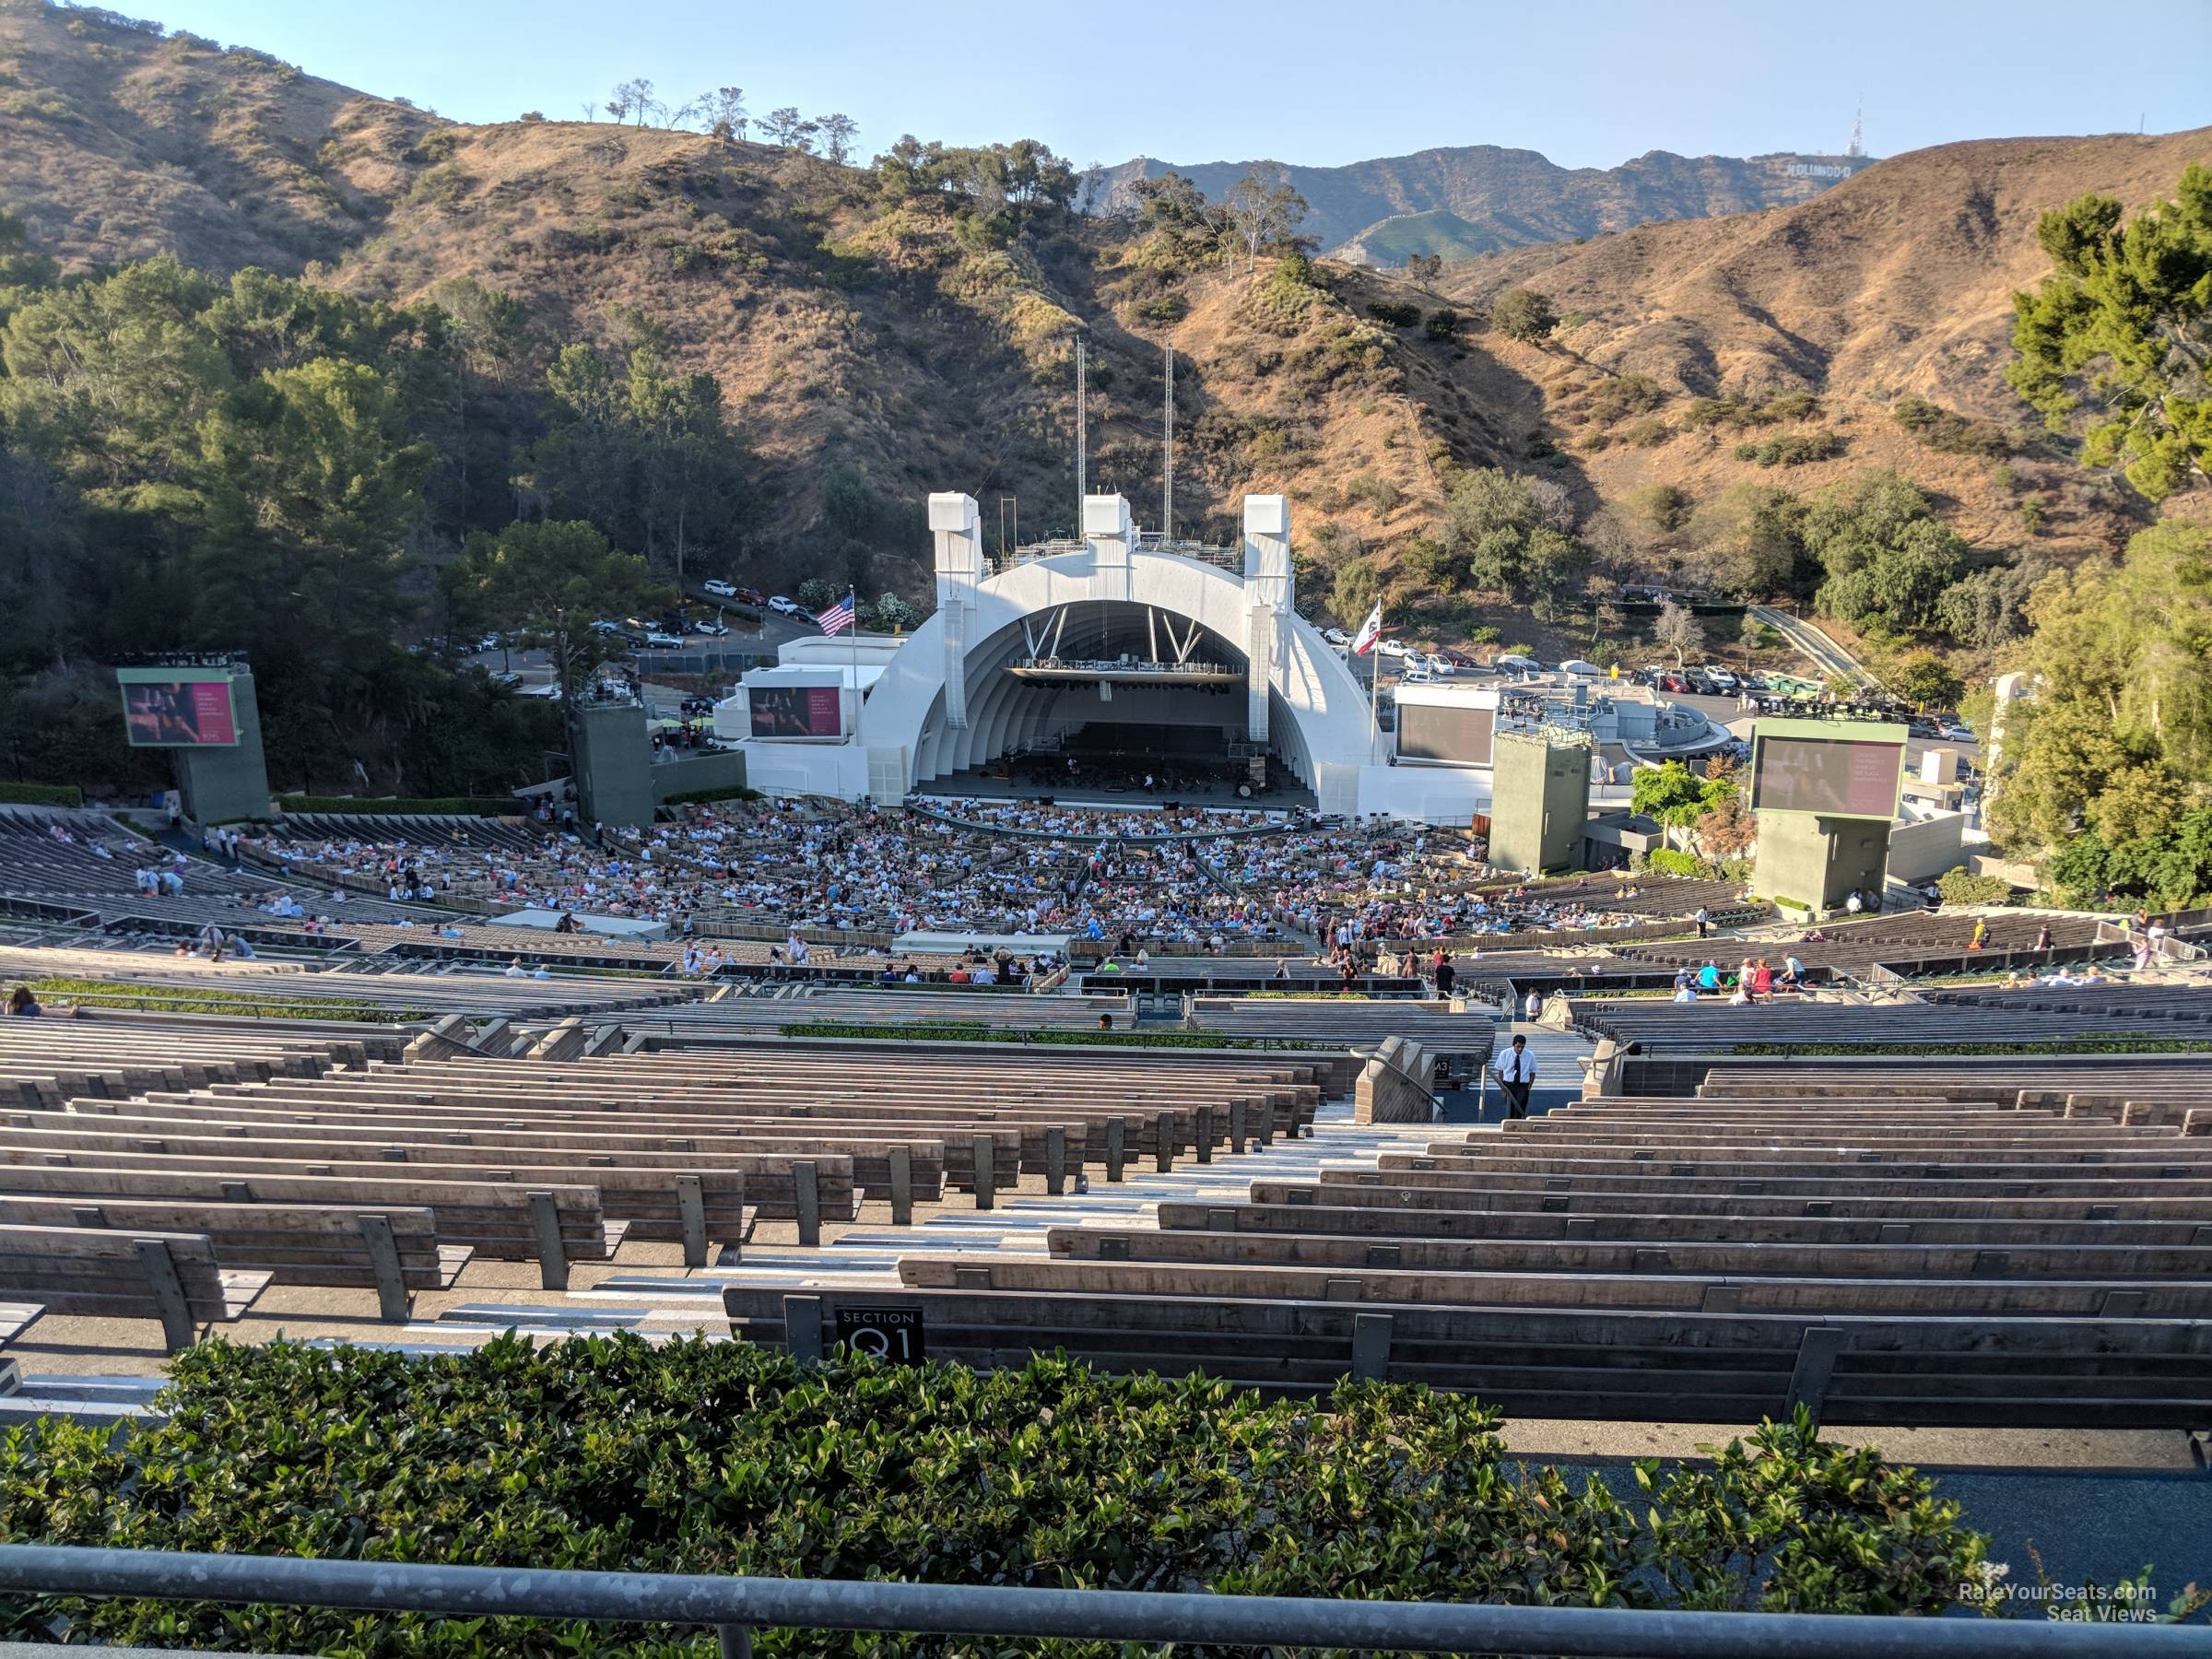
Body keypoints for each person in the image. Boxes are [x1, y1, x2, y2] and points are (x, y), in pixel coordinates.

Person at [1495, 1033, 1536, 1121]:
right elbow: (1500, 1071)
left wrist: (1529, 1086)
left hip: (1523, 1084)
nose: (1520, 1049)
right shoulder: (1505, 1053)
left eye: (1522, 1047)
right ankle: (1510, 1122)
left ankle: (1518, 1122)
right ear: (1514, 1045)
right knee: (1510, 1106)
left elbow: (1532, 1071)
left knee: (1520, 1105)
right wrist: (1502, 1087)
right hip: (1509, 1083)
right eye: (1518, 1046)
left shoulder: (1530, 1055)